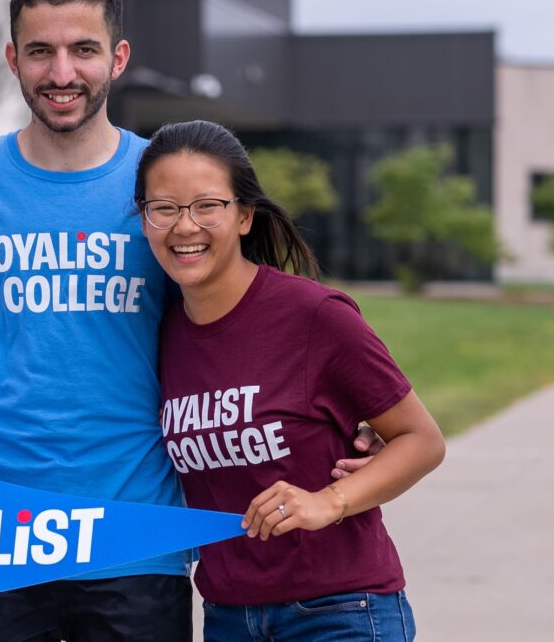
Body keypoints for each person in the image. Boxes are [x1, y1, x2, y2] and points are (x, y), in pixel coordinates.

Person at [0, 0, 381, 642]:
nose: (61, 73)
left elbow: (252, 317)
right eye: (41, 51)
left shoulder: (167, 187)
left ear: (118, 56)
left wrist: (354, 416)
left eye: (83, 49)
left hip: (136, 535)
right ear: (12, 58)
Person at [134, 119, 446, 641]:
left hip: (340, 611)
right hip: (228, 615)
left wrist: (330, 501)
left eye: (207, 205)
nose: (184, 227)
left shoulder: (314, 316)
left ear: (244, 217)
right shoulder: (162, 334)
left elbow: (423, 441)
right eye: (163, 208)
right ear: (144, 221)